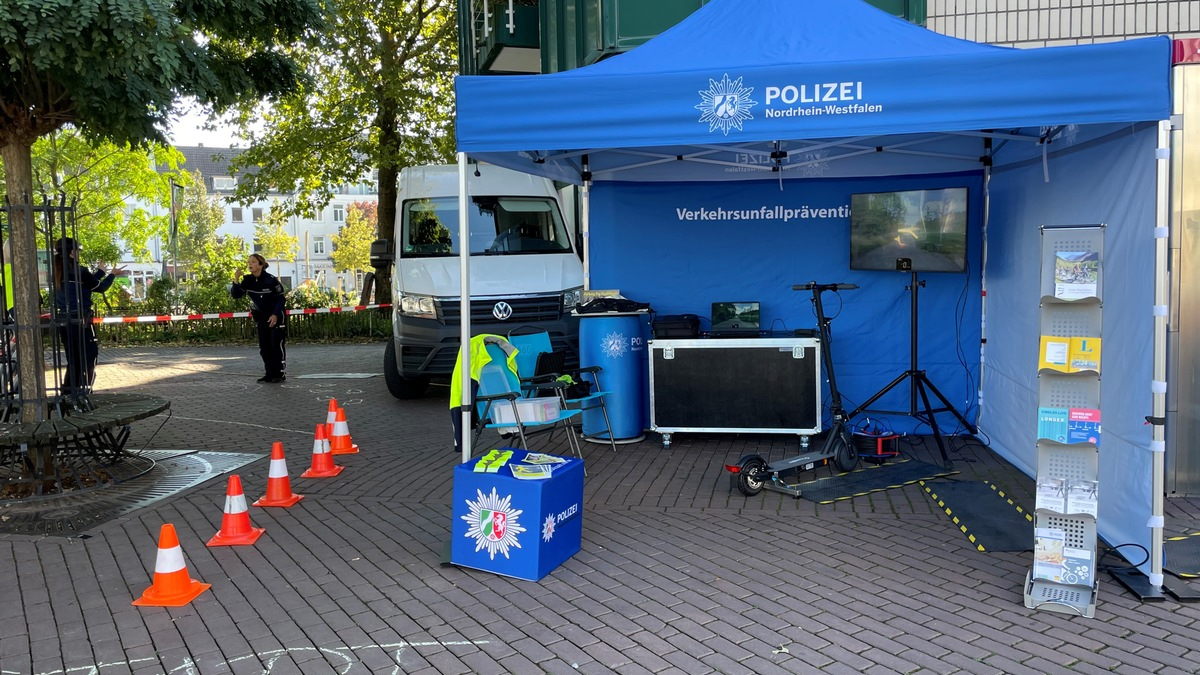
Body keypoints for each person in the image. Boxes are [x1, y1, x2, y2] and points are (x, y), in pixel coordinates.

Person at [53, 237, 122, 395]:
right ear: (71, 252)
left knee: (73, 359)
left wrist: (100, 272)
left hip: (64, 321)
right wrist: (112, 274)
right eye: (77, 250)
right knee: (89, 356)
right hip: (81, 320)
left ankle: (69, 393)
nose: (78, 253)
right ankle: (84, 390)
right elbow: (100, 287)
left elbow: (86, 285)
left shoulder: (58, 271)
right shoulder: (79, 271)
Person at [230, 254, 287, 383]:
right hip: (261, 316)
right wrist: (236, 280)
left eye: (253, 262)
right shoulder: (248, 280)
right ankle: (269, 373)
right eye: (249, 262)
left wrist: (276, 314)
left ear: (261, 265)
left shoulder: (271, 280)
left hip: (275, 315)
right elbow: (236, 295)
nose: (250, 264)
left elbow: (281, 298)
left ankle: (280, 373)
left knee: (276, 345)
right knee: (264, 346)